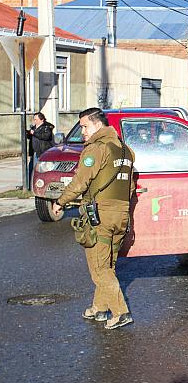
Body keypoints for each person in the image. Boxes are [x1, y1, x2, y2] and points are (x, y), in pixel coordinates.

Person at [52, 108, 136, 330]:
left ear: (98, 125)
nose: (82, 132)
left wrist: (60, 202)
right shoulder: (126, 151)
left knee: (99, 267)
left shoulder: (97, 149)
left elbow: (80, 182)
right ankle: (100, 308)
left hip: (100, 214)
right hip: (121, 215)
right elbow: (131, 186)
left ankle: (120, 312)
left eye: (84, 126)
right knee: (107, 264)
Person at [28, 112, 55, 187]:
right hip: (35, 152)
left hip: (44, 152)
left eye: (36, 119)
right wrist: (28, 133)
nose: (34, 121)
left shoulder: (47, 127)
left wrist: (34, 133)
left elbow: (46, 136)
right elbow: (31, 138)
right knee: (33, 170)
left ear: (42, 119)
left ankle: (44, 184)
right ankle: (31, 185)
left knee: (43, 170)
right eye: (34, 119)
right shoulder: (34, 127)